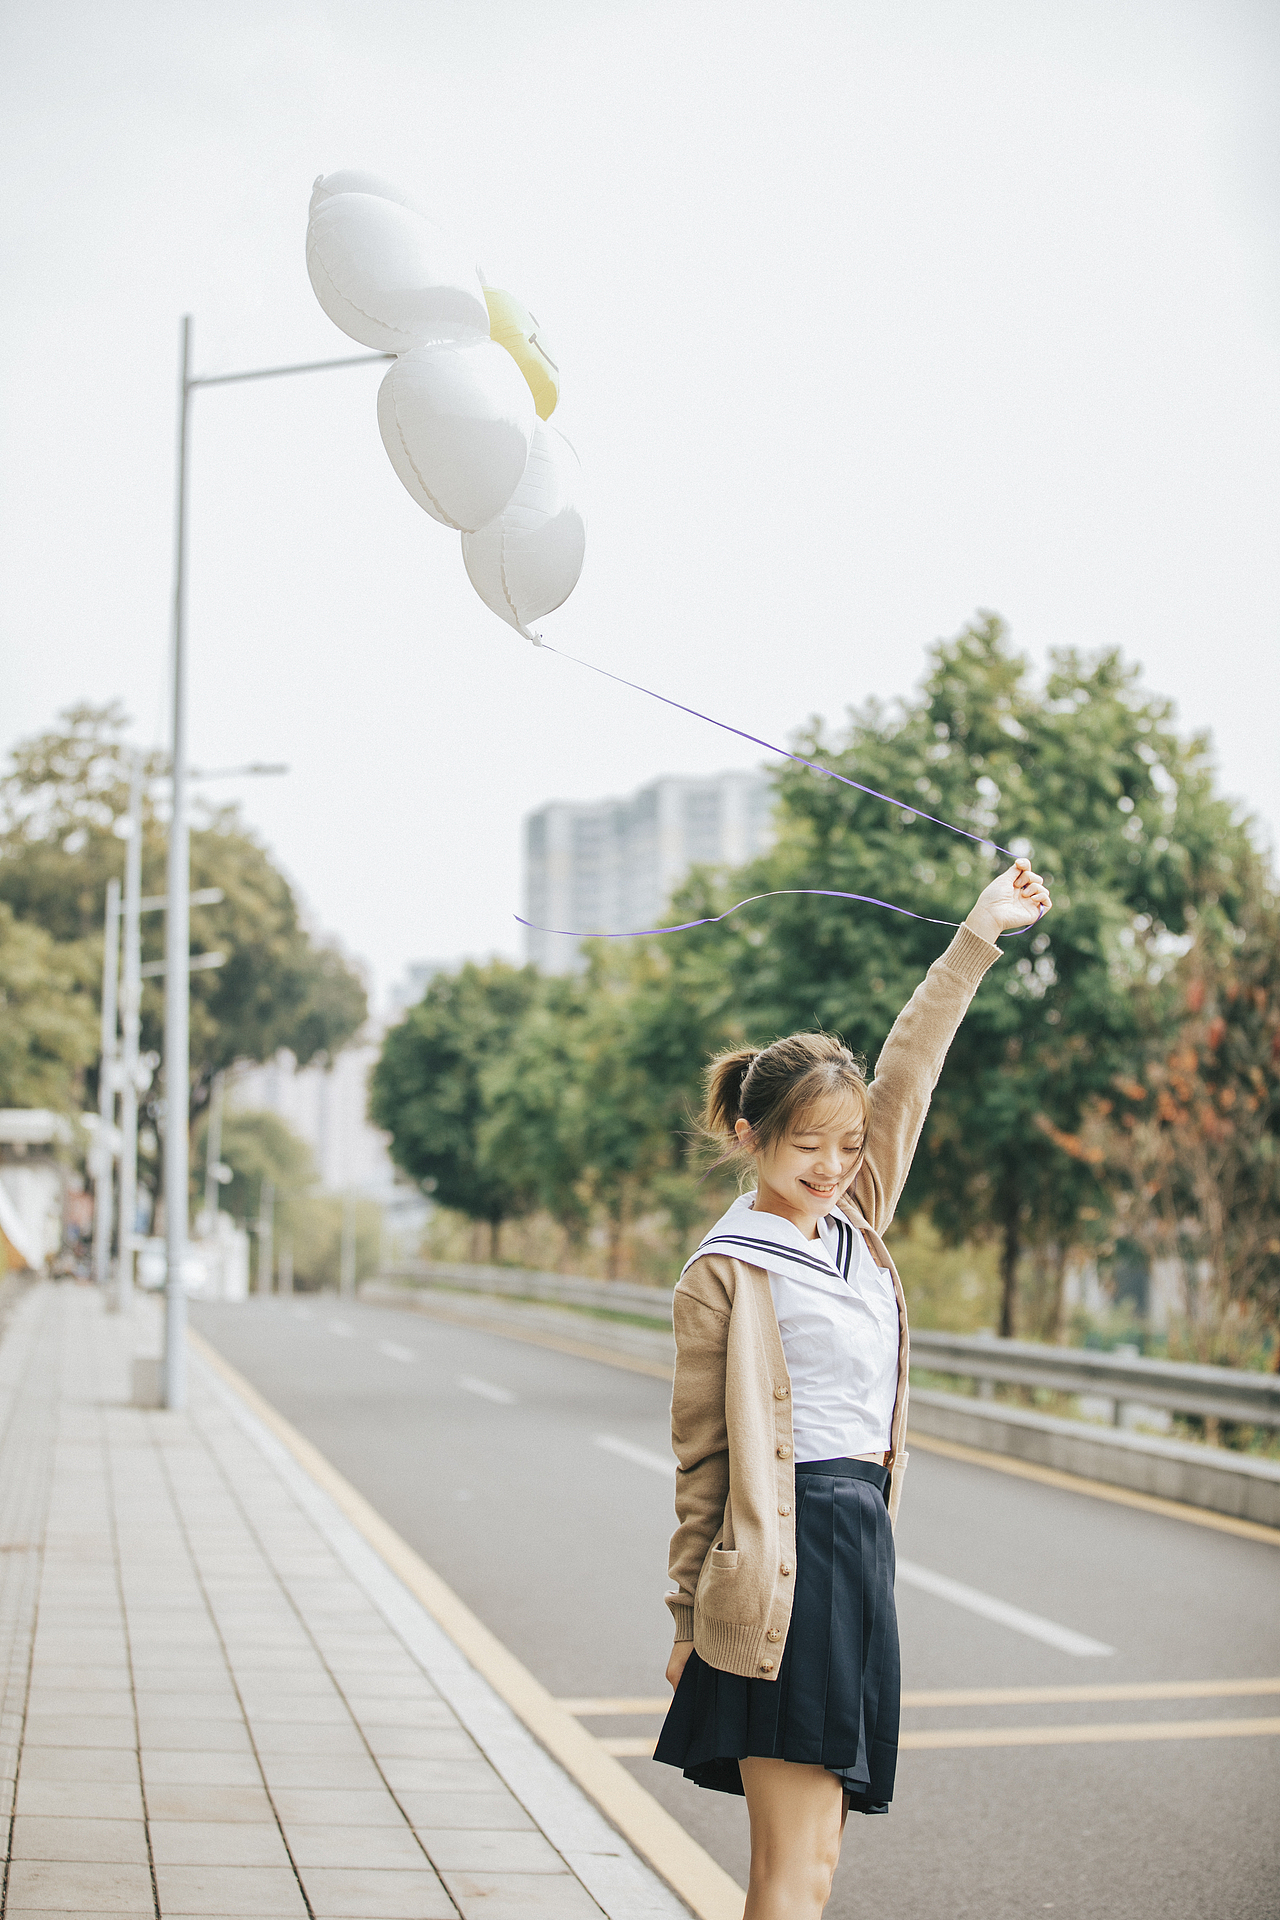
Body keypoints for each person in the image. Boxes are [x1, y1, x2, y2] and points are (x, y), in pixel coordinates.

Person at [653, 858, 1052, 1920]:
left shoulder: (852, 1223)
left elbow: (910, 1066)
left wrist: (980, 931)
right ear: (747, 1138)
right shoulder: (724, 1271)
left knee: (818, 1867)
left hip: (858, 1540)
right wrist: (689, 1617)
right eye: (805, 1148)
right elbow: (700, 1461)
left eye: (844, 1146)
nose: (831, 1167)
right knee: (790, 1871)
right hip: (782, 1558)